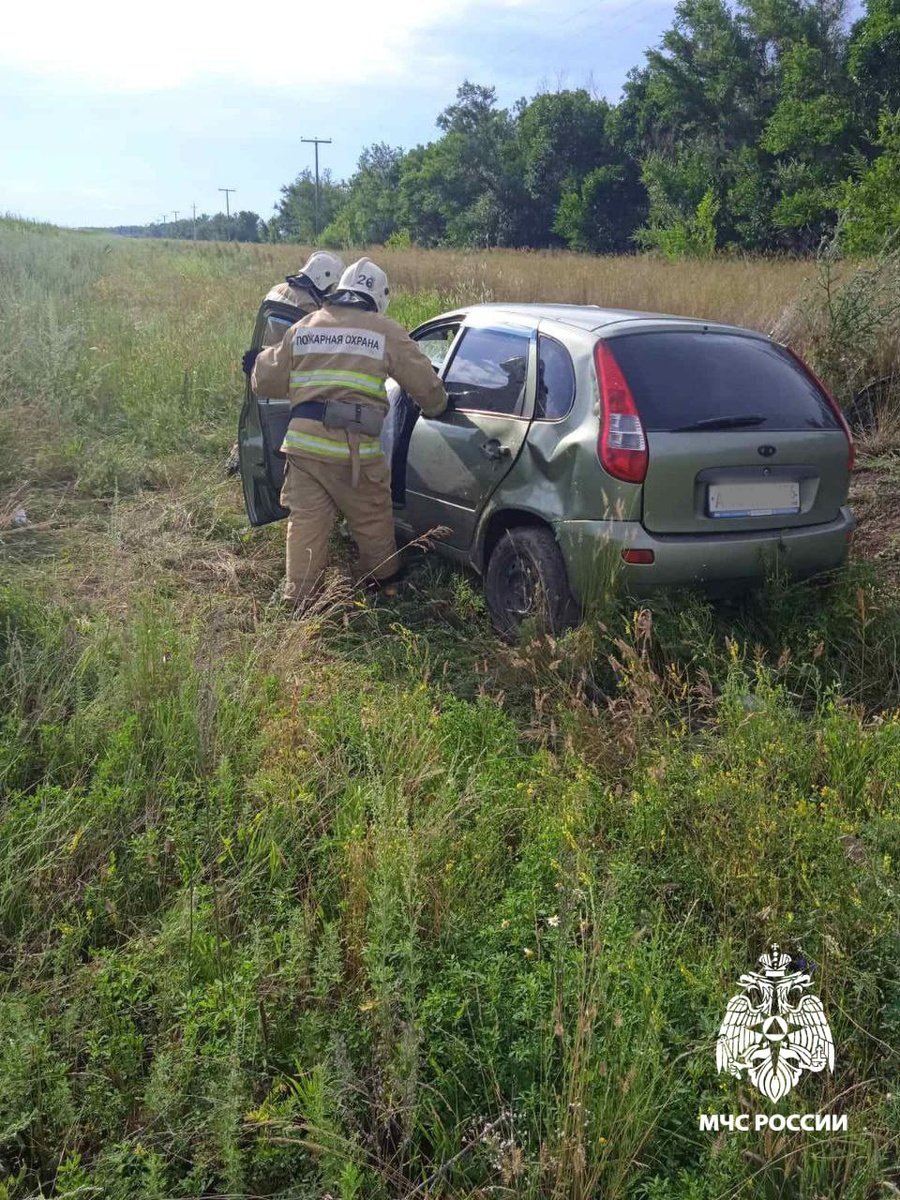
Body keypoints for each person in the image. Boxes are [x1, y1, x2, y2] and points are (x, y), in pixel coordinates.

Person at [251, 256, 448, 603]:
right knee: (372, 521)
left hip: (303, 449)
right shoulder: (384, 331)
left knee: (306, 525)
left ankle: (298, 601)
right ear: (379, 298)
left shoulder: (306, 325)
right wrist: (440, 407)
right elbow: (427, 387)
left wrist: (258, 363)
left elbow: (263, 381)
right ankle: (384, 587)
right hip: (353, 452)